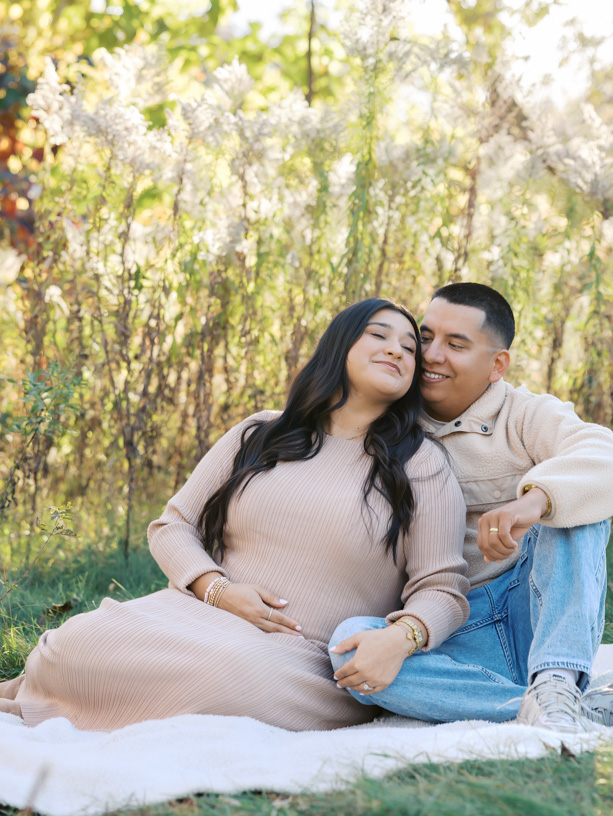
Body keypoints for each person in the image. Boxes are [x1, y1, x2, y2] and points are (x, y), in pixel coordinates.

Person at [0, 298, 469, 732]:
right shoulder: (261, 432)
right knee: (70, 645)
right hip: (192, 616)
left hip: (295, 659)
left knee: (230, 674)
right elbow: (173, 526)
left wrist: (400, 639)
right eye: (379, 335)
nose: (398, 351)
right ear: (339, 344)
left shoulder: (419, 464)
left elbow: (442, 589)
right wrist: (218, 590)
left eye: (410, 348)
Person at [330, 283, 613, 734]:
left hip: (532, 610)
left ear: (497, 364)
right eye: (425, 337)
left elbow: (606, 454)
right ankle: (560, 704)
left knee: (574, 509)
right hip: (451, 628)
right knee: (349, 648)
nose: (431, 355)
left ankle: (555, 677)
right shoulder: (391, 418)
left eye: (456, 345)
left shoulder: (525, 414)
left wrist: (534, 502)